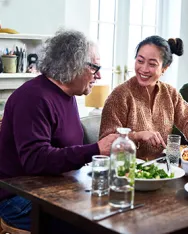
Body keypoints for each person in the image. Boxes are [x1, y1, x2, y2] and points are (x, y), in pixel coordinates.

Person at [0, 30, 118, 232]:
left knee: (115, 211)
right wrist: (95, 149)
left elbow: (67, 151)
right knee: (94, 225)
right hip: (17, 198)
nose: (99, 75)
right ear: (73, 65)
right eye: (94, 67)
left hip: (55, 188)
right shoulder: (33, 98)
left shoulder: (69, 95)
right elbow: (36, 160)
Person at [99, 35, 188, 160]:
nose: (144, 69)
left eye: (152, 64)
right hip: (127, 172)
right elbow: (105, 146)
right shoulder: (119, 95)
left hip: (161, 169)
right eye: (140, 61)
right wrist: (137, 136)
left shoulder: (170, 93)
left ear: (164, 68)